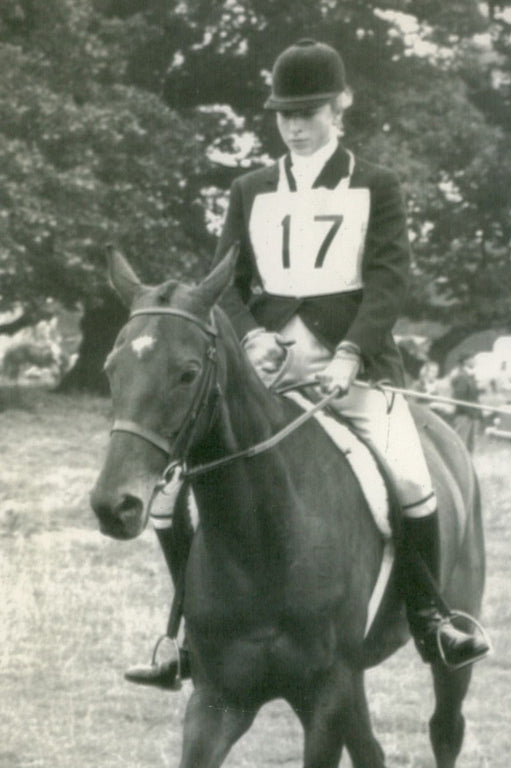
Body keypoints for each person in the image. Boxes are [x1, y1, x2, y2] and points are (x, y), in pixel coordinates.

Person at [128, 39, 488, 687]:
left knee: (410, 479)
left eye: (309, 112)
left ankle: (431, 614)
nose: (295, 126)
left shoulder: (376, 184)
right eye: (284, 115)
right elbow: (225, 282)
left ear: (340, 105)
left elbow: (388, 280)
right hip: (266, 370)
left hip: (353, 370)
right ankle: (183, 635)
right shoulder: (250, 188)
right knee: (171, 489)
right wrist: (252, 336)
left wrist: (350, 351)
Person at [449, 355, 482, 452]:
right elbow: (458, 397)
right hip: (464, 415)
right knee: (460, 444)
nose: (475, 360)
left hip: (473, 414)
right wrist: (470, 412)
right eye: (472, 358)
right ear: (465, 361)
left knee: (470, 444)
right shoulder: (461, 376)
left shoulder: (471, 376)